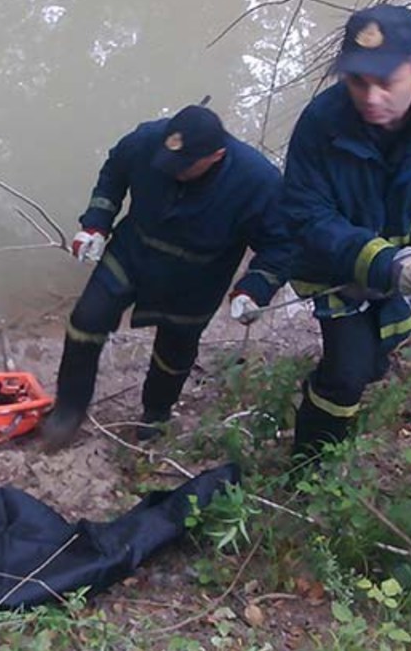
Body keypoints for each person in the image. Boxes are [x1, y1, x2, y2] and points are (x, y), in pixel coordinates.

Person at [42, 104, 293, 450]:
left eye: (184, 166)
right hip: (133, 252)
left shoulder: (258, 182)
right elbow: (114, 173)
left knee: (174, 352)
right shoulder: (147, 140)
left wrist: (255, 288)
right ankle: (68, 410)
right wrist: (95, 224)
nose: (173, 170)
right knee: (86, 320)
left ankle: (156, 415)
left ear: (216, 155)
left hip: (197, 277)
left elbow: (281, 244)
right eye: (168, 162)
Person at [283, 4, 411, 461]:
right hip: (344, 267)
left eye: (387, 82)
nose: (371, 97)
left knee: (377, 355)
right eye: (357, 81)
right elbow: (305, 212)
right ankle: (311, 464)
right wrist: (378, 261)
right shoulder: (321, 123)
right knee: (346, 373)